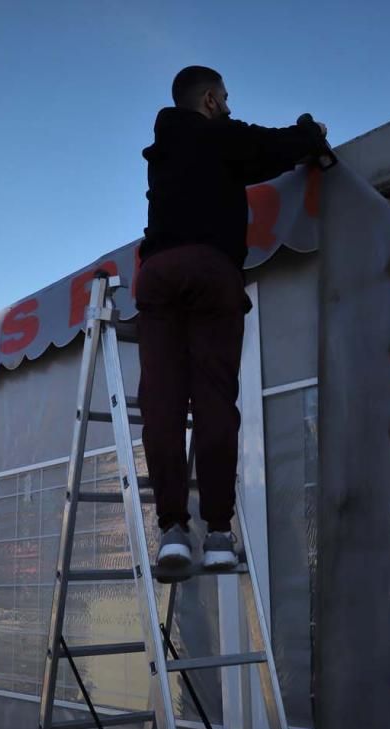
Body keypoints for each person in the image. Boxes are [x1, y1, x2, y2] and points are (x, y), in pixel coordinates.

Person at [136, 65, 328, 572]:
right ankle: (219, 534)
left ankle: (173, 532)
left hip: (155, 272)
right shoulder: (220, 135)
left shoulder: (162, 152)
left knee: (162, 403)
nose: (229, 104)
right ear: (209, 101)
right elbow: (274, 147)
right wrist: (311, 134)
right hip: (211, 269)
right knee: (215, 400)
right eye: (224, 97)